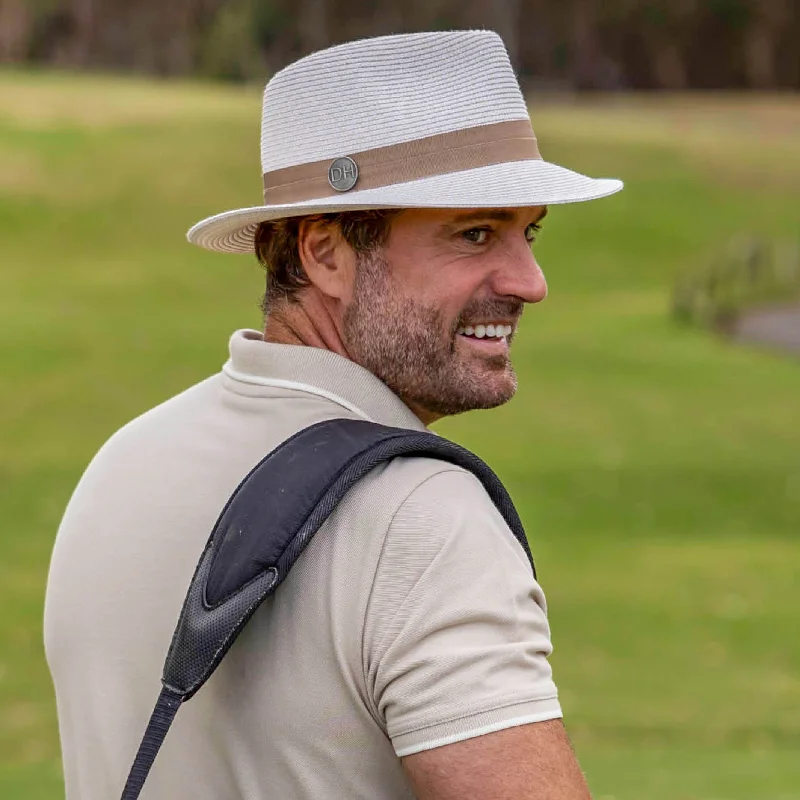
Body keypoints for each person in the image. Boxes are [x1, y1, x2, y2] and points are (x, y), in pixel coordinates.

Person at [44, 30, 622, 800]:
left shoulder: (122, 463)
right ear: (324, 253)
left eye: (529, 232)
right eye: (475, 233)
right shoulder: (421, 517)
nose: (530, 281)